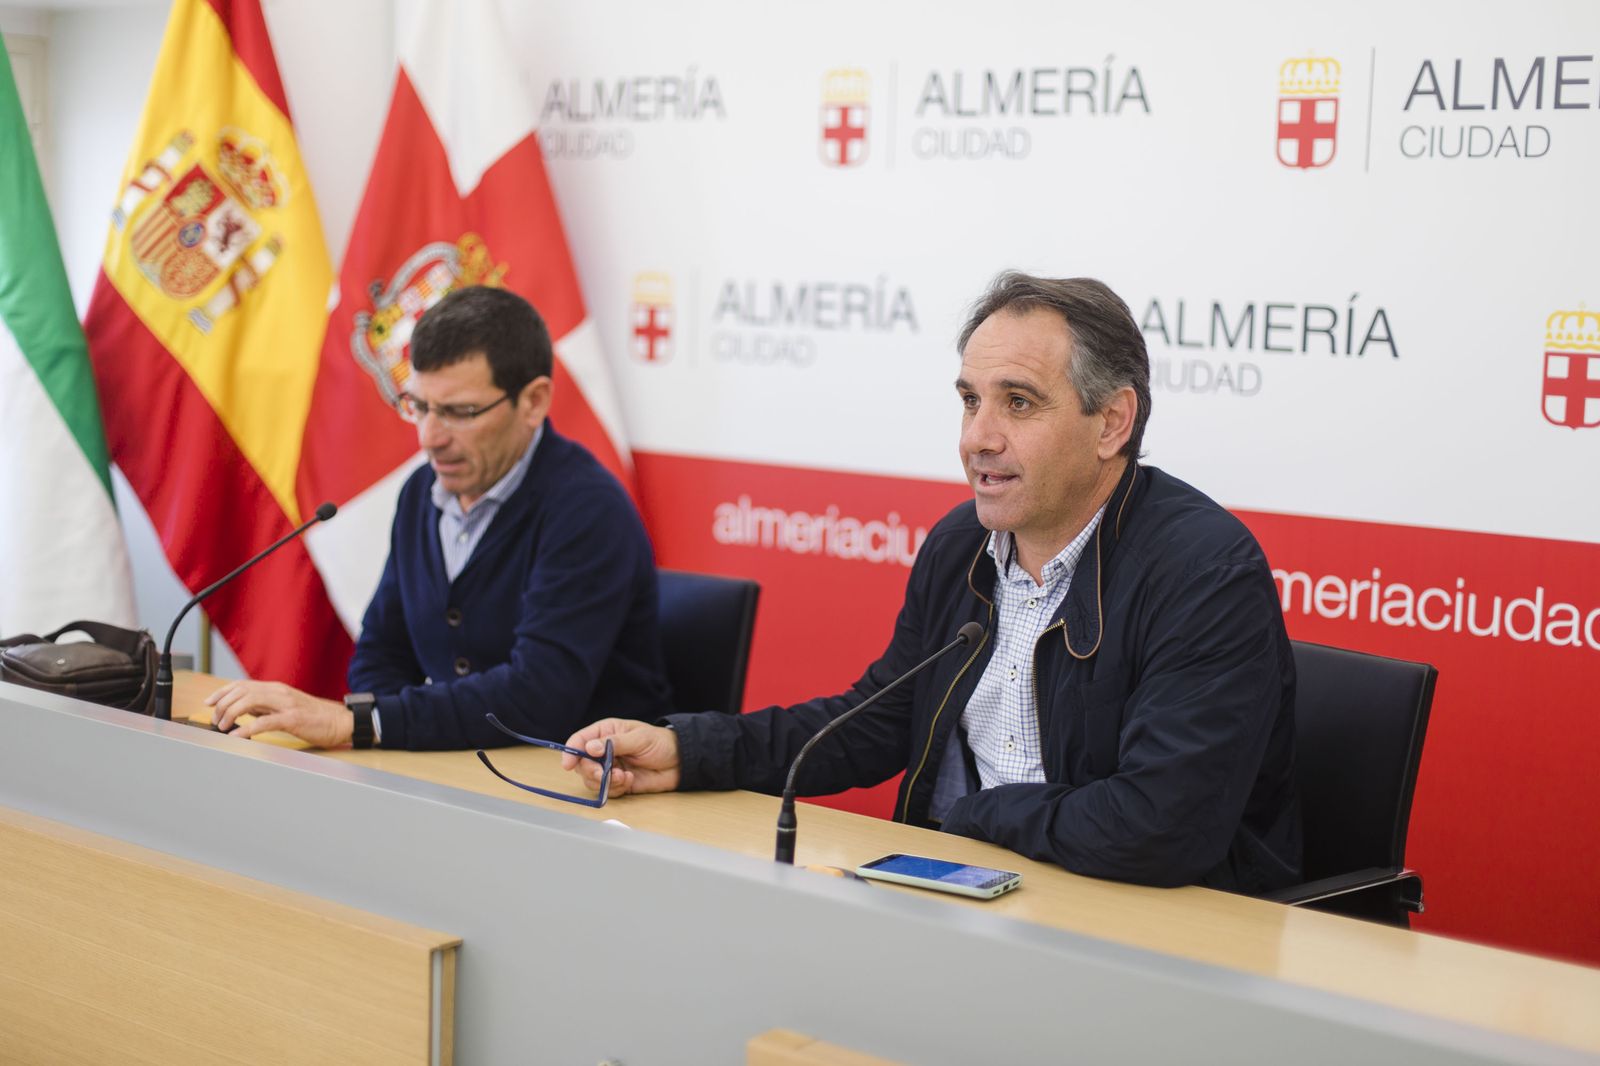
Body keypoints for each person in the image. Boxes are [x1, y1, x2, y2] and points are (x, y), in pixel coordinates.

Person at [564, 272, 1301, 893]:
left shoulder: (1202, 573)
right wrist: (690, 751)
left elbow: (1158, 828)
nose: (977, 436)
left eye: (1017, 403)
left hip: (1141, 928)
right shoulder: (962, 546)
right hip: (965, 897)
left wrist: (977, 814)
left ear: (1111, 422)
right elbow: (878, 719)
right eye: (969, 400)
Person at [208, 286, 671, 749]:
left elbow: (539, 697)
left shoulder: (587, 509)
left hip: (580, 789)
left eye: (460, 412)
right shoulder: (420, 493)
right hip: (467, 771)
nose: (430, 437)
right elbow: (382, 652)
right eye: (421, 407)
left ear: (533, 402)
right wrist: (376, 749)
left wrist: (365, 723)